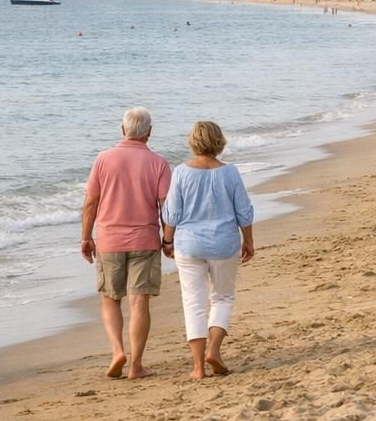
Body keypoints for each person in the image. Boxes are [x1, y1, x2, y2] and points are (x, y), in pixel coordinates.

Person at [81, 107, 172, 380]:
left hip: (109, 240)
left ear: (123, 130)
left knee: (110, 299)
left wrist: (86, 237)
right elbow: (167, 207)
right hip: (145, 240)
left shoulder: (103, 159)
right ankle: (136, 365)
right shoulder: (158, 163)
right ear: (149, 132)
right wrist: (168, 239)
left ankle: (117, 350)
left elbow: (90, 204)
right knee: (139, 302)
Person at [161, 121, 255, 381]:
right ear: (219, 142)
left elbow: (172, 213)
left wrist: (167, 240)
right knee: (222, 298)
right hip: (224, 243)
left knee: (193, 303)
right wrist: (248, 240)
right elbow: (243, 211)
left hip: (189, 245)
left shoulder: (180, 172)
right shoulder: (230, 173)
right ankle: (214, 350)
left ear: (192, 142)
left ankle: (198, 367)